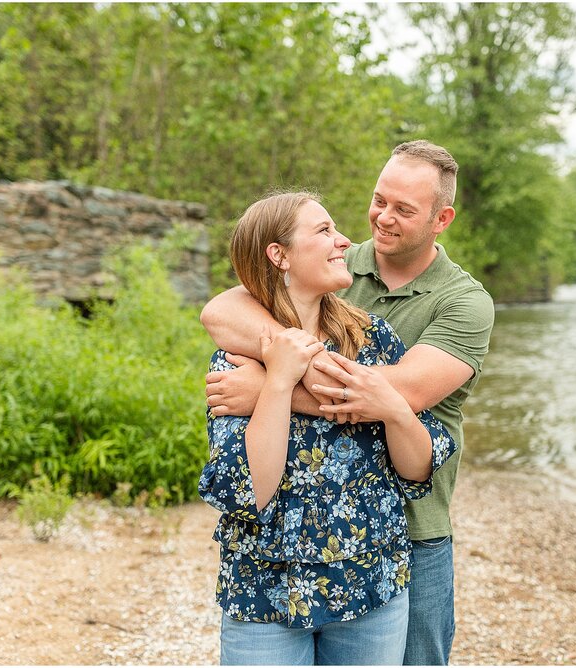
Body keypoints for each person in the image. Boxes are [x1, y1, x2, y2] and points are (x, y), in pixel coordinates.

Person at [201, 140, 495, 665]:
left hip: (408, 532)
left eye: (404, 210)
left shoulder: (463, 302)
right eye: (379, 200)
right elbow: (223, 310)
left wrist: (274, 390)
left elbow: (397, 396)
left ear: (441, 219)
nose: (381, 218)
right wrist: (286, 366)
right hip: (275, 567)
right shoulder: (338, 266)